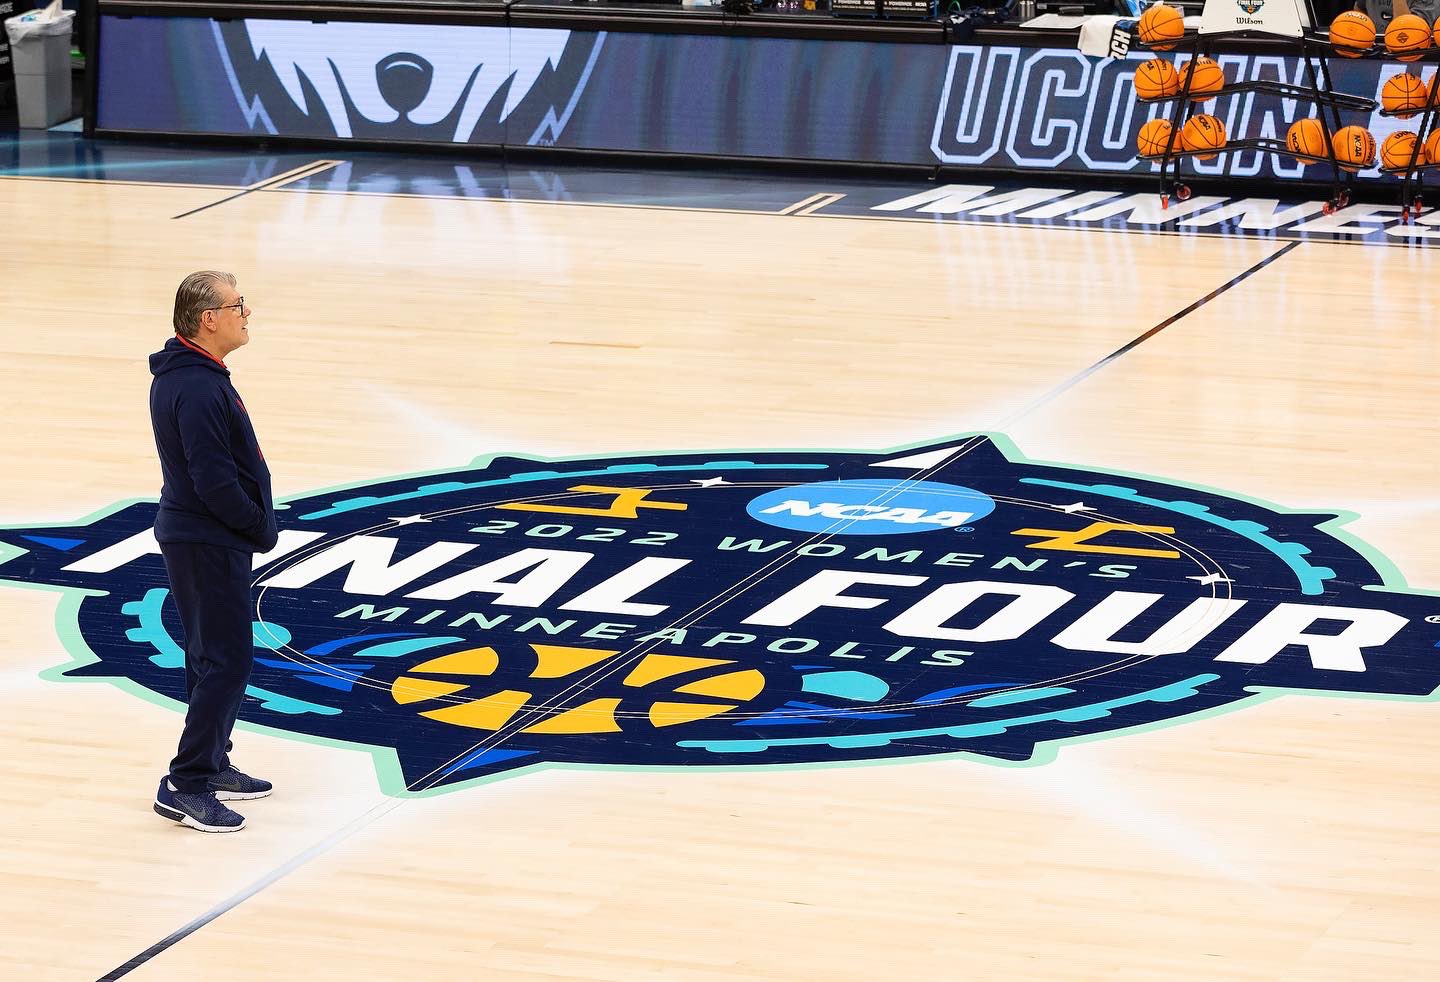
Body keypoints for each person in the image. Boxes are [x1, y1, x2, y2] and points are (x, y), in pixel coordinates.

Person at [148, 271, 277, 833]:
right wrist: (256, 527)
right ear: (208, 318)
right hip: (207, 537)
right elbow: (212, 479)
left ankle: (214, 759)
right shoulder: (197, 386)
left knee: (210, 657)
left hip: (202, 535)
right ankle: (187, 780)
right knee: (226, 660)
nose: (246, 313)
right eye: (238, 305)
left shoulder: (195, 375)